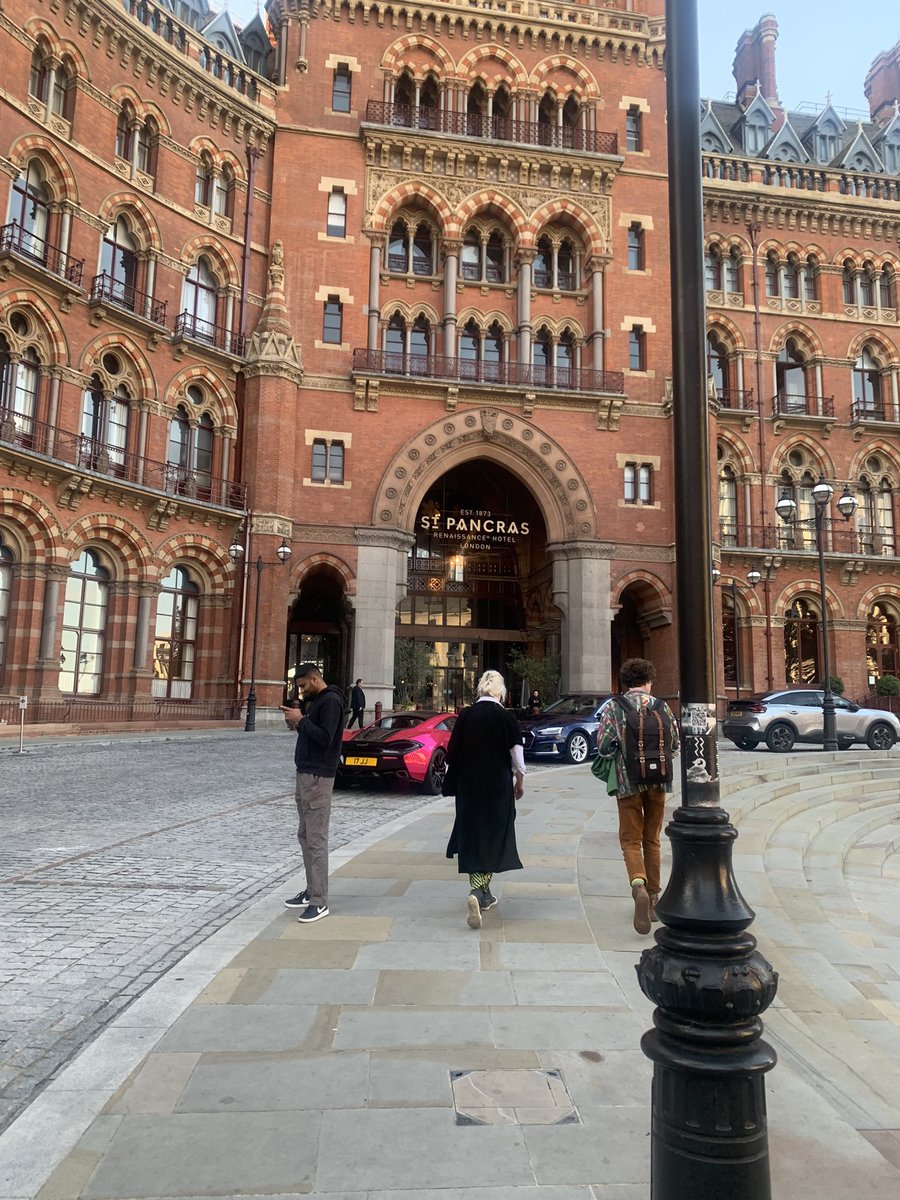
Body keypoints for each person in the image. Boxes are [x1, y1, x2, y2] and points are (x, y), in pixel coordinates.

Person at [595, 658, 679, 936]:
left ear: (625, 681)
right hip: (658, 782)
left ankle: (638, 885)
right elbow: (676, 744)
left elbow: (604, 747)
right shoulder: (661, 706)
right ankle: (654, 899)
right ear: (649, 680)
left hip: (627, 781)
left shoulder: (613, 708)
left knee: (630, 840)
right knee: (652, 840)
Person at [445, 669, 525, 929]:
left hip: (469, 786)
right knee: (494, 835)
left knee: (473, 835)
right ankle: (477, 892)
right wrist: (519, 781)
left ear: (480, 689)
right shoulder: (506, 717)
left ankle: (483, 893)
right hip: (497, 785)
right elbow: (517, 756)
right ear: (500, 692)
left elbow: (452, 752)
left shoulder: (466, 715)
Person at [280, 663, 345, 923]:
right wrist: (298, 723)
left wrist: (301, 721)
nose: (301, 690)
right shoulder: (318, 700)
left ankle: (319, 901)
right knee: (305, 834)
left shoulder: (330, 701)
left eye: (303, 685)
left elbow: (326, 738)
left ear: (315, 678)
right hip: (307, 773)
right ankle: (311, 891)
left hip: (318, 776)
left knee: (316, 838)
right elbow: (312, 733)